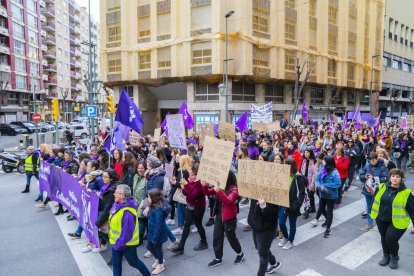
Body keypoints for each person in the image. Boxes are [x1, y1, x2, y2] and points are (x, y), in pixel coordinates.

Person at [370, 169, 414, 269]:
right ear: (390, 177)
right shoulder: (381, 187)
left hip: (397, 221)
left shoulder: (406, 193)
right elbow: (374, 200)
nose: (395, 178)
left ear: (402, 179)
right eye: (393, 176)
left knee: (390, 239)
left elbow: (413, 210)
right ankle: (386, 255)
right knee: (383, 237)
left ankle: (394, 257)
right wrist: (372, 212)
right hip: (381, 218)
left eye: (398, 177)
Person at [201, 170, 244, 267]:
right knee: (217, 237)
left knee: (231, 238)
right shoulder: (220, 186)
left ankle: (240, 254)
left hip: (229, 218)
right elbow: (208, 192)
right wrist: (204, 185)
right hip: (219, 216)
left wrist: (219, 191)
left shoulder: (234, 189)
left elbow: (229, 201)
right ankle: (218, 258)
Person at [109, 184, 151, 276]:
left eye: (116, 193)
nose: (114, 194)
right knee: (116, 264)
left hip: (126, 244)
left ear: (123, 196)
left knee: (133, 262)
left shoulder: (127, 212)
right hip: (116, 242)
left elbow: (127, 233)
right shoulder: (117, 205)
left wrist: (118, 244)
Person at [171, 163, 208, 254]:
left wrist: (186, 185)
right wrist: (184, 187)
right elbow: (186, 194)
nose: (189, 172)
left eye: (190, 171)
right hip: (190, 205)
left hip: (199, 207)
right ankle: (181, 246)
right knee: (186, 225)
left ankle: (204, 242)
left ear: (194, 172)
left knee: (198, 225)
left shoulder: (200, 181)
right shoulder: (191, 180)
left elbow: (193, 195)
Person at [248, 194, 282, 275]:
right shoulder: (256, 190)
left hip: (267, 228)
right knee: (259, 248)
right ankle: (274, 263)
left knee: (262, 254)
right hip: (256, 225)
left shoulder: (272, 192)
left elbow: (275, 214)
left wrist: (264, 206)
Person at [278, 158, 306, 250]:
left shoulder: (298, 177)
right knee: (281, 222)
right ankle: (286, 237)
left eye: (286, 165)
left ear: (291, 166)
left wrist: (296, 205)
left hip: (293, 205)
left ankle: (290, 241)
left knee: (292, 224)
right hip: (284, 203)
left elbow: (301, 193)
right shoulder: (283, 175)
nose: (284, 166)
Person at [311, 155, 341, 238]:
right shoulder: (322, 170)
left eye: (324, 160)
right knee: (321, 208)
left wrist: (325, 185)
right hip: (322, 194)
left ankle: (328, 228)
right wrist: (319, 185)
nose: (322, 161)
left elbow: (338, 183)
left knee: (330, 211)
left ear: (328, 162)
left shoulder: (335, 172)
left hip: (331, 195)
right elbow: (317, 180)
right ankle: (328, 220)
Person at [359, 153, 389, 231]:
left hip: (378, 191)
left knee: (379, 208)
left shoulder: (383, 167)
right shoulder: (367, 165)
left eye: (373, 160)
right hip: (368, 190)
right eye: (370, 161)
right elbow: (361, 175)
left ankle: (382, 225)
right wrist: (365, 176)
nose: (372, 162)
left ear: (377, 159)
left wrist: (375, 178)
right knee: (369, 207)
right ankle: (369, 224)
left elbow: (386, 179)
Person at [144, 188, 172, 275]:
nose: (147, 198)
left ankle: (161, 264)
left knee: (158, 248)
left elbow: (158, 226)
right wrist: (147, 214)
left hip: (157, 234)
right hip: (152, 231)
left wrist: (155, 238)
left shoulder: (158, 210)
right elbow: (152, 219)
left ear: (154, 198)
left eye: (149, 196)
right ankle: (158, 259)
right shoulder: (154, 206)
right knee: (149, 246)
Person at [94, 169, 118, 253]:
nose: (103, 178)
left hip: (111, 215)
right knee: (103, 231)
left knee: (107, 234)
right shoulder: (106, 186)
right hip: (106, 212)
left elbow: (108, 208)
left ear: (111, 178)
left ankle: (118, 253)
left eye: (105, 177)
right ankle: (104, 245)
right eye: (102, 176)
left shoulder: (111, 190)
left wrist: (99, 222)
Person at [133, 162, 148, 245]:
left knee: (141, 219)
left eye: (142, 168)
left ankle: (140, 239)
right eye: (138, 168)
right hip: (136, 203)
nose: (140, 170)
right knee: (141, 220)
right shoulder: (135, 176)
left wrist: (143, 203)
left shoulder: (147, 179)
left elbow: (146, 192)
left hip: (143, 203)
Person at [300, 148, 316, 218]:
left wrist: (313, 182)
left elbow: (315, 172)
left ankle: (311, 208)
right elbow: (301, 169)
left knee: (310, 195)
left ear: (311, 153)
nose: (306, 154)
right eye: (305, 152)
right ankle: (310, 208)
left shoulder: (314, 161)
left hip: (311, 180)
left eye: (308, 152)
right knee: (307, 195)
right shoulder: (303, 160)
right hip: (304, 179)